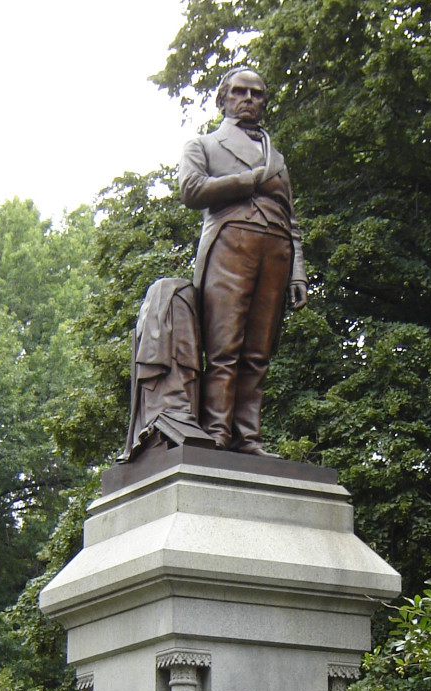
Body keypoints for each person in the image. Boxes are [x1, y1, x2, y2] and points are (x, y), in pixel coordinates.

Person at [179, 67, 308, 455]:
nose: (249, 99)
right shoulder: (203, 145)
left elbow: (291, 216)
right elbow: (191, 189)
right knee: (224, 345)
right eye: (239, 92)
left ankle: (247, 437)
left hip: (276, 251)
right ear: (222, 100)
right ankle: (217, 432)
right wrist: (249, 180)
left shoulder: (277, 156)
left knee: (258, 352)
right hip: (229, 245)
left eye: (257, 93)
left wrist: (298, 272)